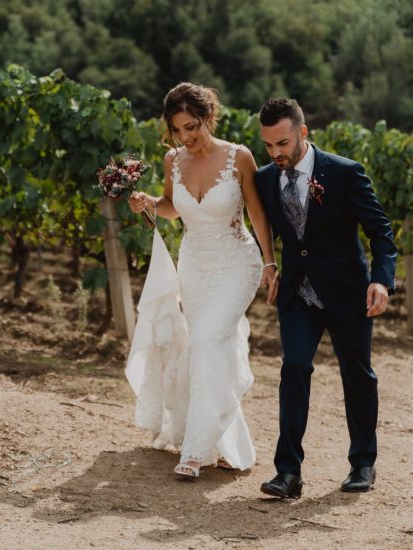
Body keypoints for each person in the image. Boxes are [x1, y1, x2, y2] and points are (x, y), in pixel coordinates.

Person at [127, 82, 278, 479]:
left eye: (192, 126)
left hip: (236, 263)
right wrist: (148, 203)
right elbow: (173, 208)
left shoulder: (239, 157)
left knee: (206, 340)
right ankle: (228, 443)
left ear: (208, 117)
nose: (186, 137)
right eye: (178, 130)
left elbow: (258, 215)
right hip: (193, 266)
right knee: (210, 349)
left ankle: (194, 451)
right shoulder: (172, 161)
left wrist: (269, 263)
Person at [254, 98, 397, 498]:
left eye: (282, 143)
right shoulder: (266, 178)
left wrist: (382, 281)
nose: (276, 153)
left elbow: (381, 233)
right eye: (268, 146)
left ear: (302, 133)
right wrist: (267, 265)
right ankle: (288, 473)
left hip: (348, 292)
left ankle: (363, 463)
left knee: (357, 375)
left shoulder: (345, 172)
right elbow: (264, 227)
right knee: (294, 368)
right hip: (298, 293)